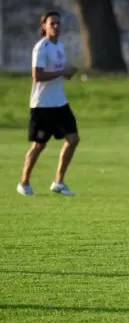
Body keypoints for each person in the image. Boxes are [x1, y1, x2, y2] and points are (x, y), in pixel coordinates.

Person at [17, 11, 80, 197]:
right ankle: (24, 182)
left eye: (59, 23)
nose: (56, 26)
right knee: (39, 145)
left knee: (74, 139)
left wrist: (67, 72)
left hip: (60, 103)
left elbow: (58, 72)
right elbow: (38, 76)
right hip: (42, 105)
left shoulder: (60, 45)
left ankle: (58, 182)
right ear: (43, 26)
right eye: (52, 23)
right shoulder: (41, 48)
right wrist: (62, 71)